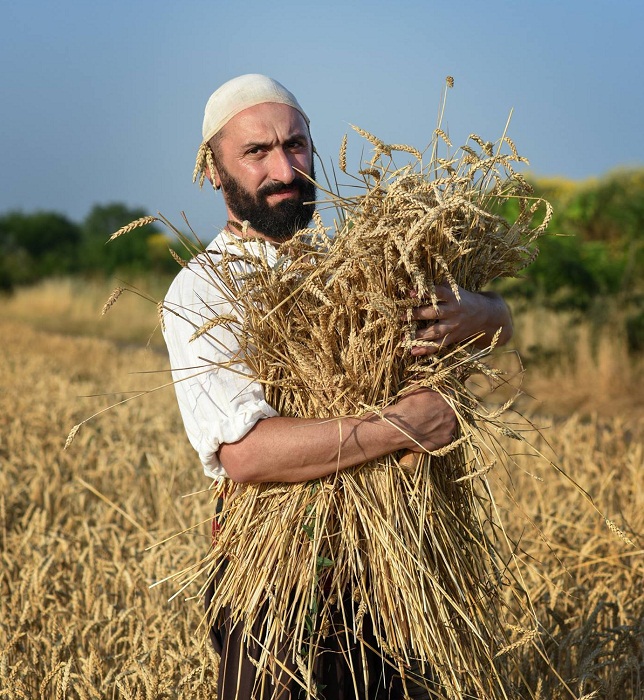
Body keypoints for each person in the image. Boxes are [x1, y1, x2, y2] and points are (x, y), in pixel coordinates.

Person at [162, 74, 513, 699]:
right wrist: (404, 427)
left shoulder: (358, 265)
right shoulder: (204, 289)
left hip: (397, 576)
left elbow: (472, 337)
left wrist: (489, 312)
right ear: (212, 170)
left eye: (296, 144)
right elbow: (245, 454)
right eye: (256, 152)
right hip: (281, 590)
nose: (284, 167)